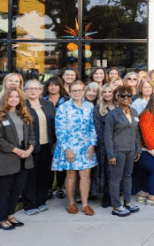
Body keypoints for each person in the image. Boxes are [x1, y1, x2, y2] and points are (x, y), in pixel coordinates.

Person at [52, 81, 98, 215]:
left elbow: (93, 126)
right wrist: (67, 149)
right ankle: (71, 203)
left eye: (79, 90)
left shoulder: (90, 106)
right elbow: (59, 129)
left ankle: (85, 204)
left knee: (85, 174)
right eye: (74, 91)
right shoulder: (63, 107)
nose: (77, 93)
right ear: (70, 92)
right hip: (69, 146)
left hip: (86, 146)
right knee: (71, 175)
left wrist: (92, 144)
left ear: (83, 91)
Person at [0, 87, 35, 230]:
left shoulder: (24, 115)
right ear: (6, 98)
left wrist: (30, 149)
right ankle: (2, 218)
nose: (14, 99)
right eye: (11, 97)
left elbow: (31, 135)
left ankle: (10, 214)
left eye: (17, 96)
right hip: (6, 159)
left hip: (24, 159)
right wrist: (17, 151)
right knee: (4, 191)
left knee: (17, 189)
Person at [104, 86, 142, 217]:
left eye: (129, 95)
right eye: (122, 95)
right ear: (117, 97)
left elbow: (136, 132)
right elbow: (107, 136)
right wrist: (111, 154)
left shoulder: (135, 112)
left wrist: (138, 149)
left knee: (128, 176)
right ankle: (116, 206)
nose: (126, 98)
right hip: (118, 151)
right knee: (116, 178)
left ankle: (127, 202)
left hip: (131, 150)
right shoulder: (112, 114)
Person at [21, 80, 56, 215]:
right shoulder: (22, 106)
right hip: (30, 147)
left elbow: (53, 125)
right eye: (30, 88)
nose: (33, 91)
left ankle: (41, 201)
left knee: (44, 176)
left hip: (47, 146)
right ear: (25, 91)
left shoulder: (48, 104)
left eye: (36, 88)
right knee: (30, 177)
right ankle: (30, 205)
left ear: (41, 91)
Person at [91, 83, 115, 208]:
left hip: (119, 144)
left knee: (117, 170)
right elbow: (98, 128)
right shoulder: (97, 108)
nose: (107, 94)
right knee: (106, 170)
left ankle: (116, 193)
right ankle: (107, 194)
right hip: (104, 145)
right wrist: (107, 143)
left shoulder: (119, 107)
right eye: (104, 92)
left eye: (109, 92)